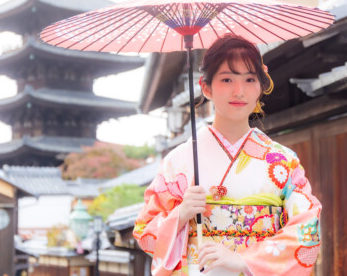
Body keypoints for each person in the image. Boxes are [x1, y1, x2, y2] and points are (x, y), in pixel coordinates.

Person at [133, 34, 321, 276]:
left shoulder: (283, 161)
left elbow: (307, 229)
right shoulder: (178, 162)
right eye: (227, 79)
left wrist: (245, 260)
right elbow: (144, 231)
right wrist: (180, 215)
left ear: (261, 87)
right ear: (206, 87)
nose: (239, 91)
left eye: (250, 79)